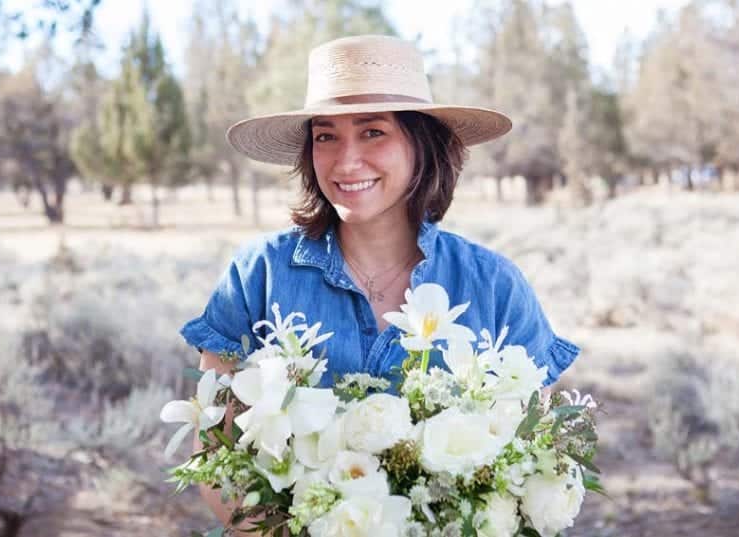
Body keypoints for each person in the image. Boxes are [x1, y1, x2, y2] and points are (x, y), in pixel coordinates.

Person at [181, 34, 580, 535]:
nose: (346, 161)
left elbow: (539, 458)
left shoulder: (494, 286)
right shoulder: (257, 275)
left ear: (421, 143)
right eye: (326, 136)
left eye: (373, 132)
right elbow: (213, 452)